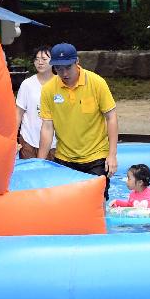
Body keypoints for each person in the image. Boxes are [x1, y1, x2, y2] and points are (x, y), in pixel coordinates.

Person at [38, 43, 118, 199]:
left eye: (68, 67)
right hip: (64, 157)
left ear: (77, 62)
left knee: (97, 201)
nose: (64, 73)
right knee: (65, 202)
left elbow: (111, 117)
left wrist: (112, 155)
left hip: (96, 156)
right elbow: (47, 127)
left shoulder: (96, 83)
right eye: (59, 68)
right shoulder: (48, 90)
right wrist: (40, 162)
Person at [15, 45, 56, 160]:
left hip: (54, 143)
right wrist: (13, 138)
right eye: (37, 59)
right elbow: (18, 113)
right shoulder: (27, 84)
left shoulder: (60, 84)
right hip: (28, 140)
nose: (40, 62)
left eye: (44, 59)